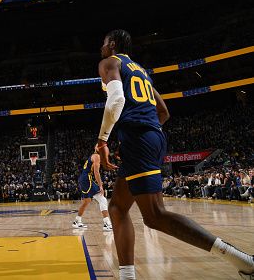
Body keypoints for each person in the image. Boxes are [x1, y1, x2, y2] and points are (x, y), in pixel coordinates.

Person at [95, 29, 254, 280]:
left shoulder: (109, 62)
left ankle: (243, 260)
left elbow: (116, 101)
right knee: (117, 207)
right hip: (149, 137)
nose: (101, 48)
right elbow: (163, 111)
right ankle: (127, 276)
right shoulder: (140, 71)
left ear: (112, 45)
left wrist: (102, 141)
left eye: (104, 44)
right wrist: (145, 132)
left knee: (155, 216)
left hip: (139, 139)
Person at [72, 149, 113, 231]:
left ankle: (77, 221)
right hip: (87, 179)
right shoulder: (97, 156)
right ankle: (106, 223)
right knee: (102, 199)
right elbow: (96, 172)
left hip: (83, 179)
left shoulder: (94, 156)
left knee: (86, 201)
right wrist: (101, 186)